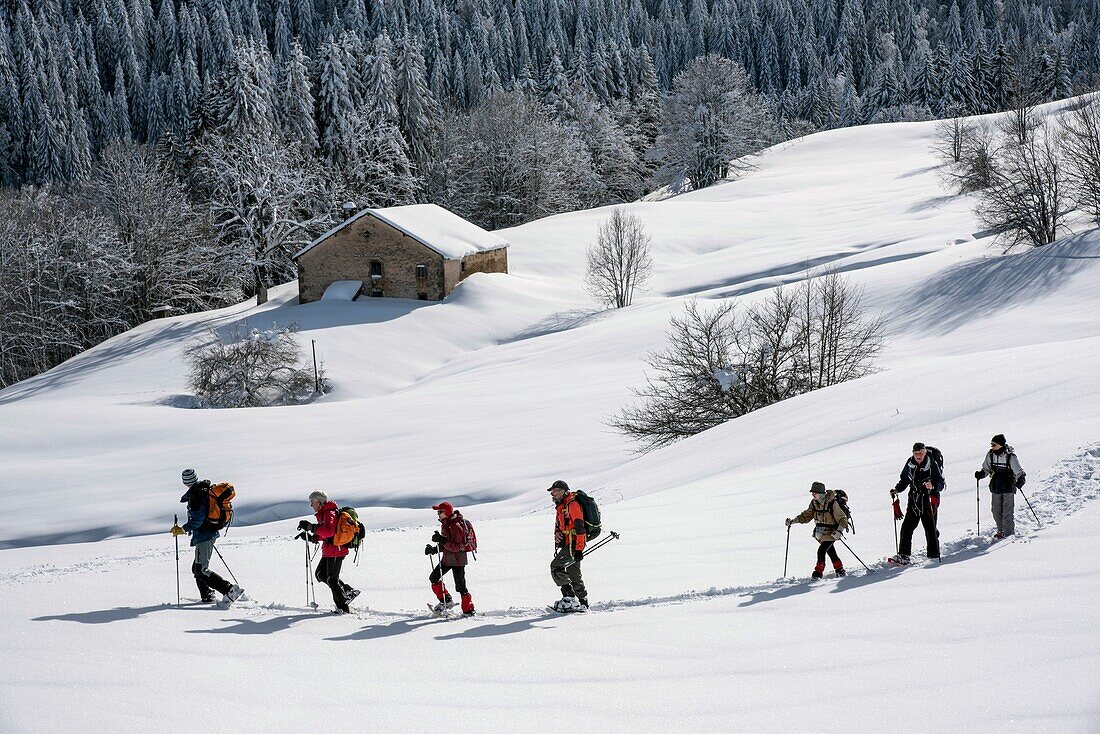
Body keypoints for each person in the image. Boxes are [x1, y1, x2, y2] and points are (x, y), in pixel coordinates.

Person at [171, 468, 244, 604]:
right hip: (207, 534)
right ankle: (207, 596)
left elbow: (198, 520)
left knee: (201, 570)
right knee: (197, 569)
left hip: (205, 535)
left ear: (185, 482)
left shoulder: (197, 495)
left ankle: (229, 590)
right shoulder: (202, 491)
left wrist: (182, 529)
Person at [297, 490, 359, 614]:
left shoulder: (329, 513)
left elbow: (329, 532)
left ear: (319, 502)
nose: (311, 505)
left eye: (312, 502)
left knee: (331, 579)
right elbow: (326, 534)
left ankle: (343, 607)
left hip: (336, 550)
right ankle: (347, 591)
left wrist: (312, 527)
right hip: (330, 550)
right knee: (321, 574)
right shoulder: (324, 513)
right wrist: (312, 536)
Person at [889, 442, 944, 565]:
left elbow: (941, 482)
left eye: (920, 453)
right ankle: (904, 555)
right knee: (907, 527)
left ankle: (934, 555)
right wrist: (897, 489)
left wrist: (933, 485)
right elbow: (904, 480)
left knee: (930, 528)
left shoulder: (932, 464)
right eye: (916, 453)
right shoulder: (910, 463)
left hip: (929, 500)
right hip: (914, 500)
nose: (918, 455)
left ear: (925, 453)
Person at [785, 482, 848, 579]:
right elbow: (806, 516)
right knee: (831, 552)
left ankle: (818, 573)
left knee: (821, 550)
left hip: (832, 532)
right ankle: (840, 570)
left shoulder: (832, 503)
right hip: (821, 533)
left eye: (815, 493)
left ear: (821, 493)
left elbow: (842, 518)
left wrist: (839, 531)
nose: (813, 494)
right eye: (812, 493)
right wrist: (793, 521)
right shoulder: (814, 503)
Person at [424, 502, 475, 616]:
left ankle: (469, 610)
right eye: (438, 512)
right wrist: (434, 550)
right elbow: (446, 544)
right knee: (434, 577)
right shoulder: (446, 524)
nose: (438, 514)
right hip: (448, 558)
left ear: (447, 512)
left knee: (461, 586)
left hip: (458, 560)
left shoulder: (455, 526)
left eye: (440, 512)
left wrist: (442, 540)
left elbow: (457, 547)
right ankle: (446, 601)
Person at [975, 434, 1026, 539]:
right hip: (996, 486)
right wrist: (981, 474)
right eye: (991, 444)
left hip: (1008, 486)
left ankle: (1008, 535)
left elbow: (1019, 471)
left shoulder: (1010, 457)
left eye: (994, 444)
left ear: (1000, 445)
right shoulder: (990, 455)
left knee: (1007, 512)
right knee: (996, 511)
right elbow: (986, 469)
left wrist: (1021, 479)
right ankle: (1001, 530)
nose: (992, 446)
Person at [547, 480, 587, 612]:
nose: (553, 494)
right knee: (573, 572)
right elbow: (558, 524)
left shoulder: (572, 504)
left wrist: (579, 549)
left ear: (564, 491)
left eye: (556, 491)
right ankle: (582, 602)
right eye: (552, 492)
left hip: (574, 544)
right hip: (569, 543)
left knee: (556, 567)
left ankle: (569, 598)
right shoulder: (561, 506)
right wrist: (557, 533)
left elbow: (580, 528)